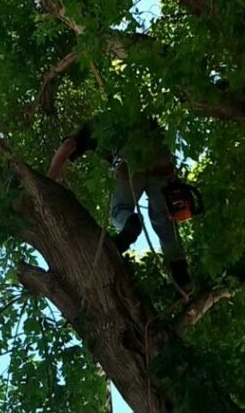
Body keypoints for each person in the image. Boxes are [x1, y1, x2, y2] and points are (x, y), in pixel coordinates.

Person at [47, 117, 192, 293]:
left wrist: (47, 182)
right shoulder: (124, 116)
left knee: (119, 210)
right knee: (164, 219)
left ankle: (131, 224)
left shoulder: (88, 128)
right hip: (161, 157)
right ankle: (181, 275)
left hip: (129, 158)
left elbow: (68, 145)